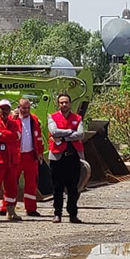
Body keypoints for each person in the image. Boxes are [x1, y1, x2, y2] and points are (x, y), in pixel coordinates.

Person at [49, 92, 86, 223]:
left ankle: (73, 214)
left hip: (73, 157)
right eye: (61, 102)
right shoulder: (52, 117)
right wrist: (71, 132)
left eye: (66, 102)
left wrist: (63, 136)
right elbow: (53, 131)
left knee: (73, 188)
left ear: (70, 104)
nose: (64, 104)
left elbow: (80, 134)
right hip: (57, 157)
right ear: (58, 104)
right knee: (57, 187)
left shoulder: (77, 118)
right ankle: (57, 213)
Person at [0, 99, 21, 217]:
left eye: (7, 109)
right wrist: (9, 135)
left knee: (12, 186)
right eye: (2, 108)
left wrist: (3, 134)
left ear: (10, 110)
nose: (4, 111)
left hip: (11, 160)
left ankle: (11, 211)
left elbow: (18, 135)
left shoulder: (15, 123)